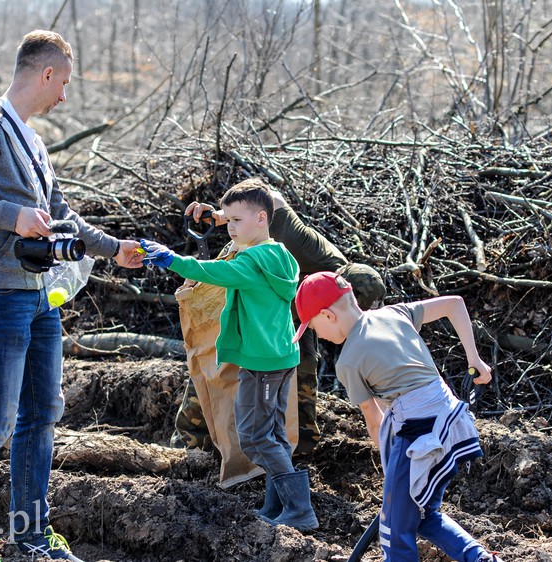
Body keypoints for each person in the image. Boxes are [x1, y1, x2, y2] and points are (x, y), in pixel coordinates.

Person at [0, 30, 143, 562]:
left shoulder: (33, 142)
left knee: (41, 414)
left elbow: (62, 215)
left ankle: (29, 535)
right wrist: (15, 218)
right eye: (65, 83)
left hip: (37, 295)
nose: (65, 97)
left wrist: (115, 247)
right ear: (45, 73)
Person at [140, 179, 319, 531]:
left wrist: (173, 259)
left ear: (262, 218)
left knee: (255, 435)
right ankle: (275, 505)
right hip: (281, 358)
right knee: (275, 434)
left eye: (236, 220)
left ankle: (300, 509)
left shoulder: (253, 261)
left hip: (263, 364)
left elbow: (213, 272)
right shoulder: (280, 254)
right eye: (228, 219)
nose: (229, 226)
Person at [293, 272, 502, 562]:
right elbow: (454, 304)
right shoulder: (394, 314)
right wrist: (474, 359)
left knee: (393, 530)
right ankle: (480, 559)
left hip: (419, 435)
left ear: (328, 316)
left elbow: (375, 421)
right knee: (423, 514)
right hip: (451, 420)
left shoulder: (349, 361)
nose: (318, 335)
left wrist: (392, 476)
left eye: (313, 327)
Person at [174, 189, 386, 458]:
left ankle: (299, 451)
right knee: (217, 362)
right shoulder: (296, 239)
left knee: (303, 380)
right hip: (249, 297)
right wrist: (222, 216)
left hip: (293, 317)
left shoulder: (350, 294)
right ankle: (189, 445)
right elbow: (271, 196)